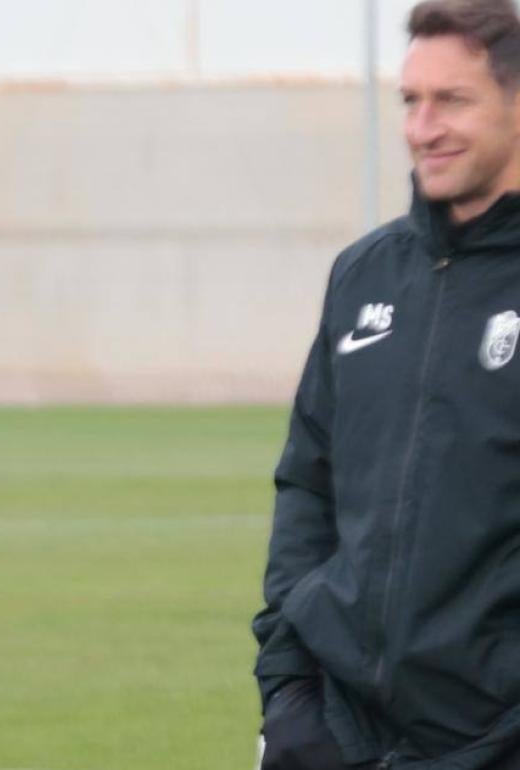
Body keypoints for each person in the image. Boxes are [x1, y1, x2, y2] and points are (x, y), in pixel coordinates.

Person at [253, 1, 520, 768]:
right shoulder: (364, 274)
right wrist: (288, 693)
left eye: (453, 100)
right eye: (411, 100)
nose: (422, 126)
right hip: (340, 733)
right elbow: (307, 483)